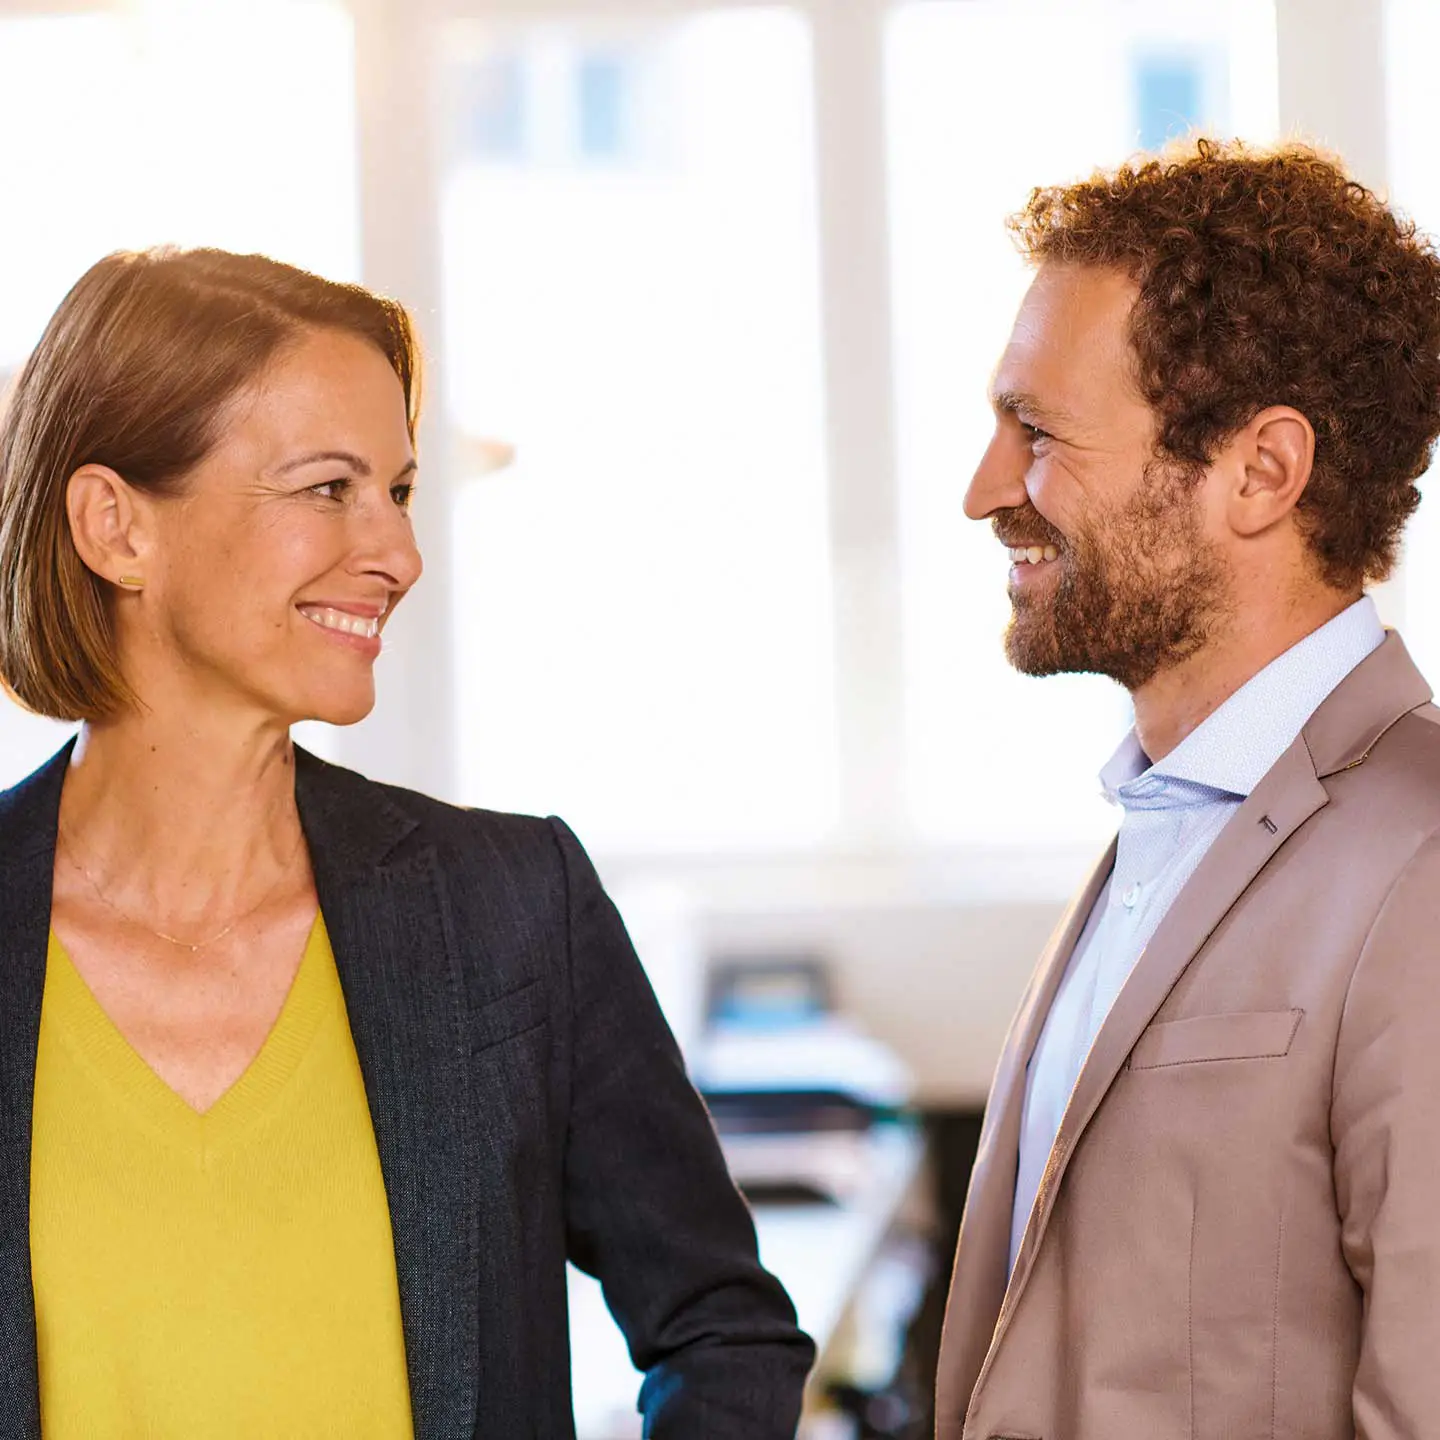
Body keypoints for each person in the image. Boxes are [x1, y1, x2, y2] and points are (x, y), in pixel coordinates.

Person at [0, 247, 814, 1439]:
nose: (397, 554)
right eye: (327, 488)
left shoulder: (511, 911)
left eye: (398, 491)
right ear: (116, 527)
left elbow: (723, 1330)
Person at [935, 138, 1440, 1438]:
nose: (987, 491)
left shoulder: (1422, 864)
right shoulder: (1163, 827)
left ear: (1261, 472)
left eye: (1037, 433)